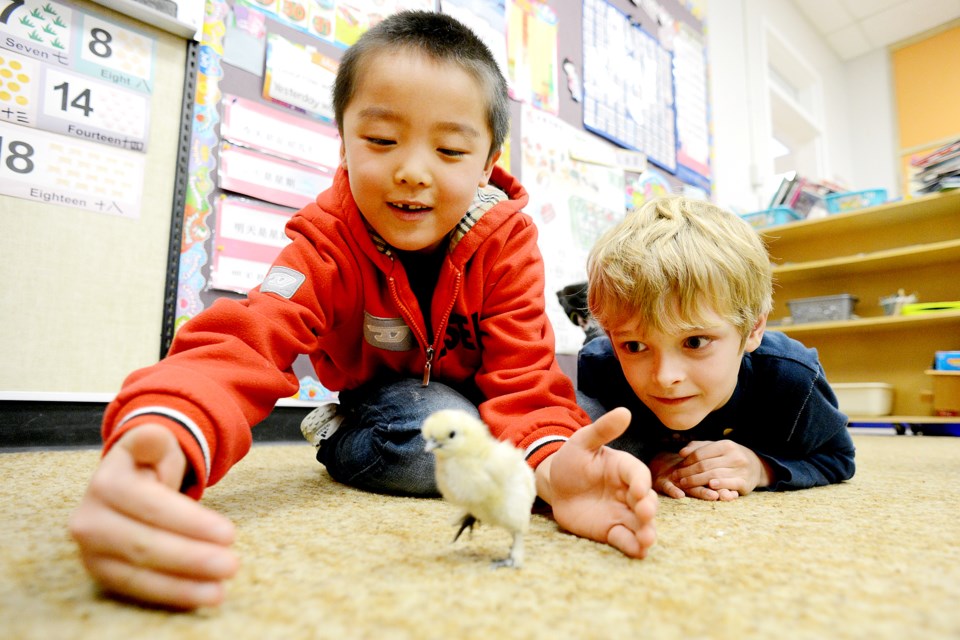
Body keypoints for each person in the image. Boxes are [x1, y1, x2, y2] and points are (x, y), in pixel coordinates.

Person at [68, 11, 657, 610]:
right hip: (398, 402)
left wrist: (552, 470)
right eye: (380, 140)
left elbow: (526, 378)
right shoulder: (324, 242)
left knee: (601, 425)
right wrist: (164, 430)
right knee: (435, 433)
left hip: (482, 399)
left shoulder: (507, 240)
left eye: (450, 149)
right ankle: (337, 429)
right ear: (344, 140)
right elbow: (246, 340)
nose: (412, 171)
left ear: (486, 163)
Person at [577, 196, 855, 502]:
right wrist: (646, 462)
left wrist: (761, 468)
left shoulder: (792, 377)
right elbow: (583, 454)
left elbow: (838, 458)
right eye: (634, 345)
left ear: (753, 330)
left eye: (695, 342)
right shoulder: (600, 368)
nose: (665, 377)